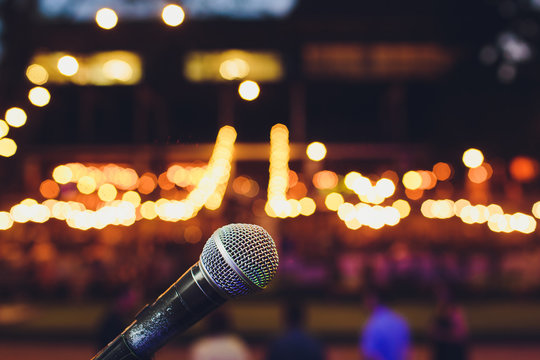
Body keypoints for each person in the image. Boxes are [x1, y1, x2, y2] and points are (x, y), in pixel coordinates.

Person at [359, 288, 411, 360]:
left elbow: (370, 355)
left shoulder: (372, 325)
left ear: (372, 300)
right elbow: (406, 353)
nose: (363, 303)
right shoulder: (400, 321)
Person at [430, 285, 468, 360]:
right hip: (444, 347)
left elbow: (460, 333)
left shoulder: (455, 311)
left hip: (452, 348)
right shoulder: (440, 310)